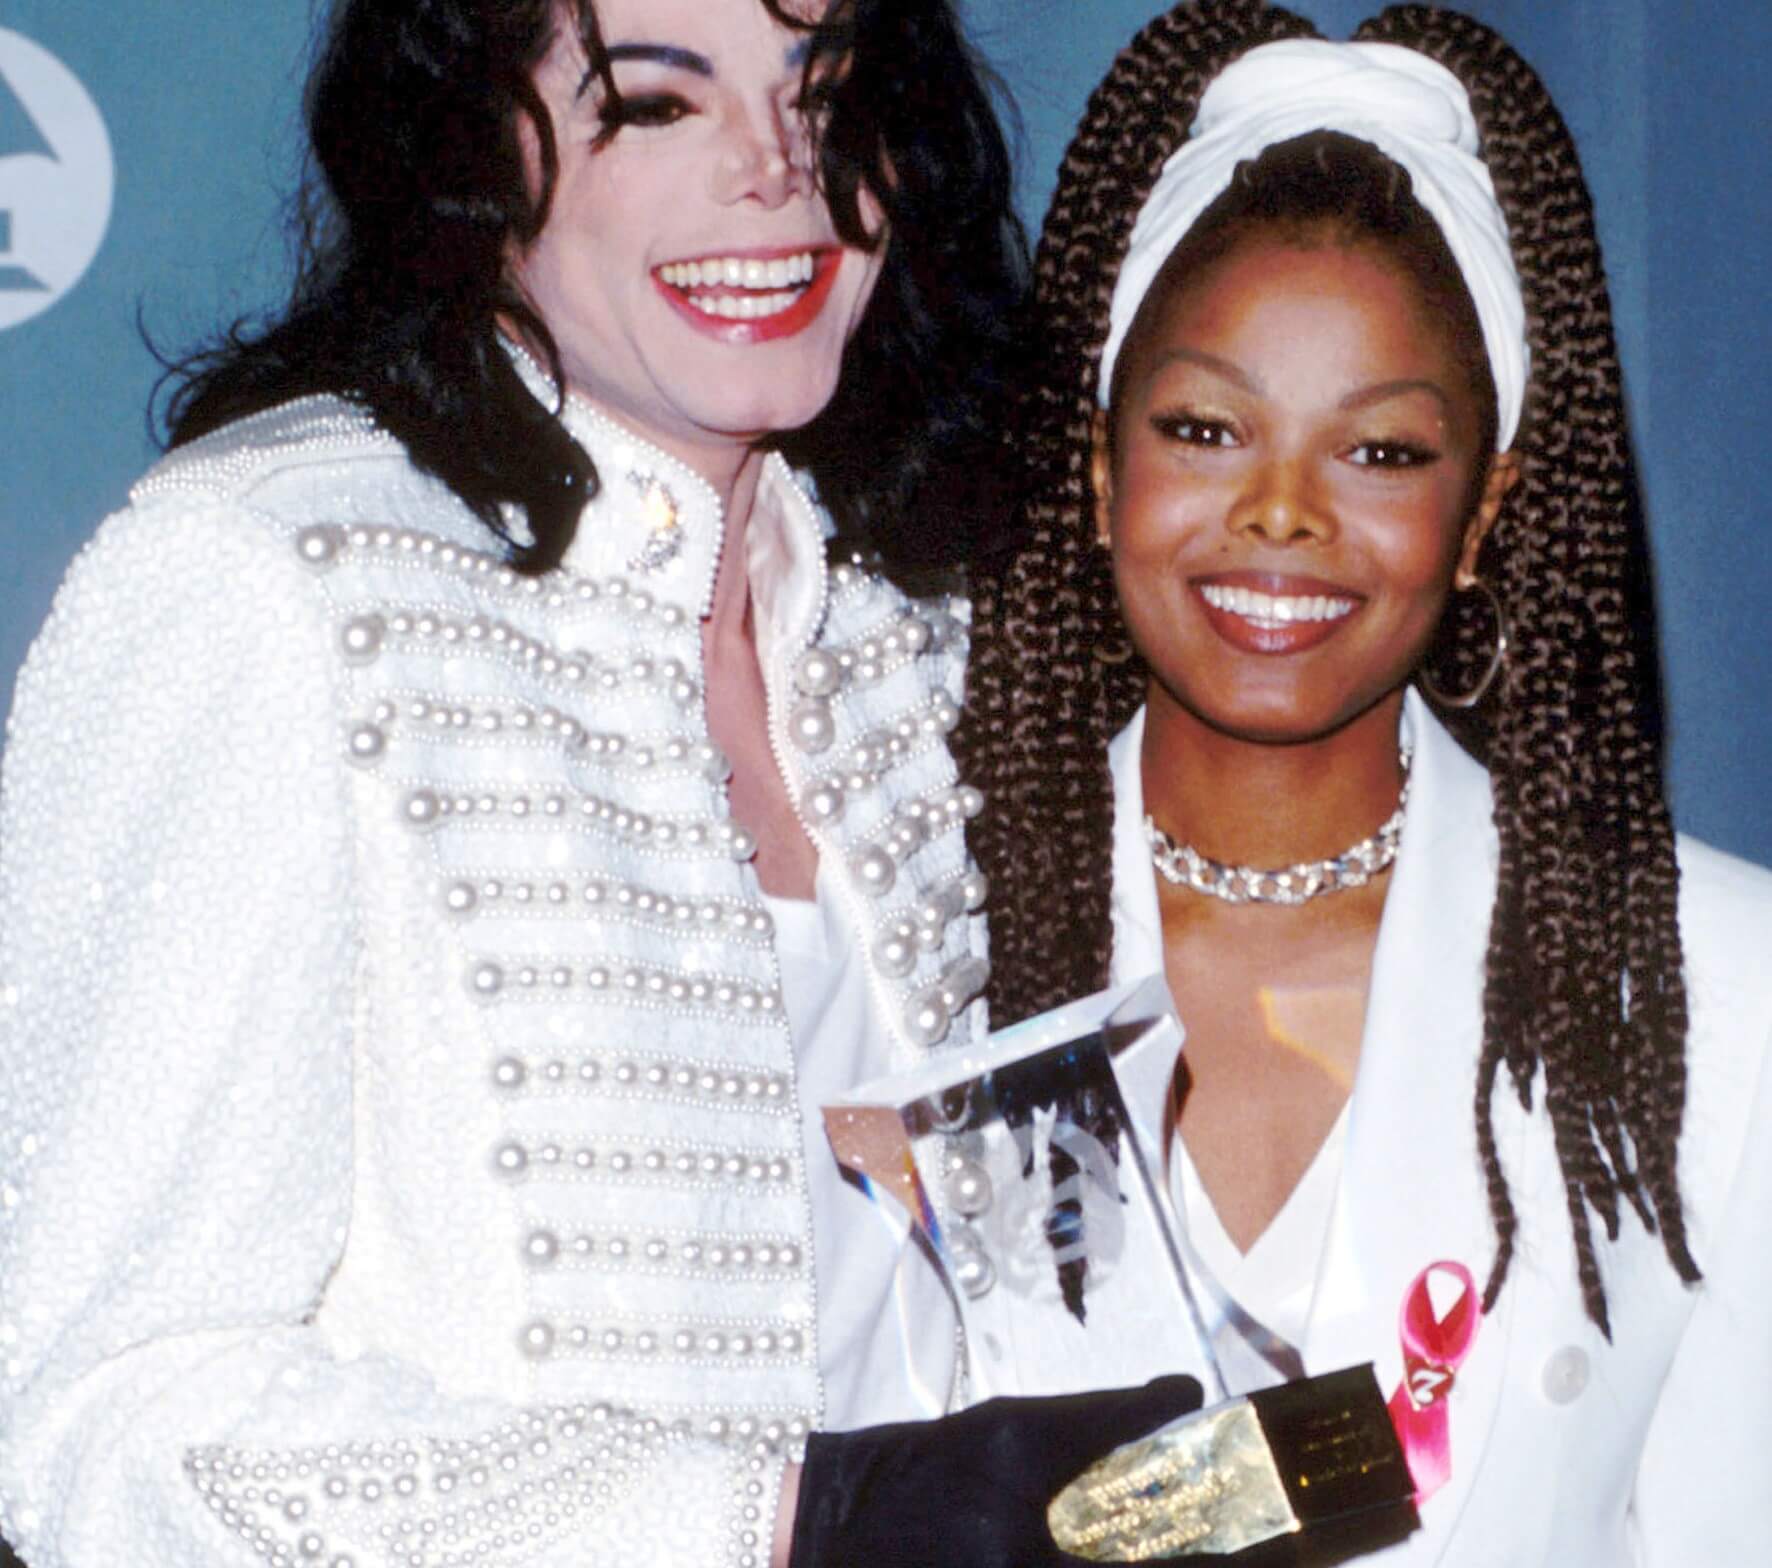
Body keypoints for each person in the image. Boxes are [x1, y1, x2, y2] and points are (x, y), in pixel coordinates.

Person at [0, 3, 1205, 1567]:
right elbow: (97, 1412)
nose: (781, 173)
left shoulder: (925, 634)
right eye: (652, 104)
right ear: (472, 152)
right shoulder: (258, 578)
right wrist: (782, 1522)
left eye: (825, 90)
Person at [960, 1, 1772, 1562]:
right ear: (1097, 462)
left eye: (1381, 454)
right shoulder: (915, 930)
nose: (1280, 514)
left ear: (1486, 512)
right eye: (1205, 427)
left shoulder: (1712, 997)